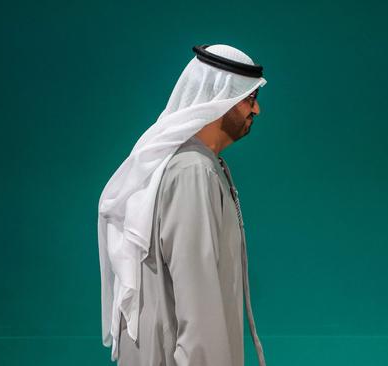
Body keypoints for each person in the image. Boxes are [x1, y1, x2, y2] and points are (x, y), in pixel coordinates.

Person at [97, 44, 268, 366]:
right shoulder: (191, 171)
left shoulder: (196, 165)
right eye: (249, 99)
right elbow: (197, 298)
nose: (255, 111)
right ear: (222, 101)